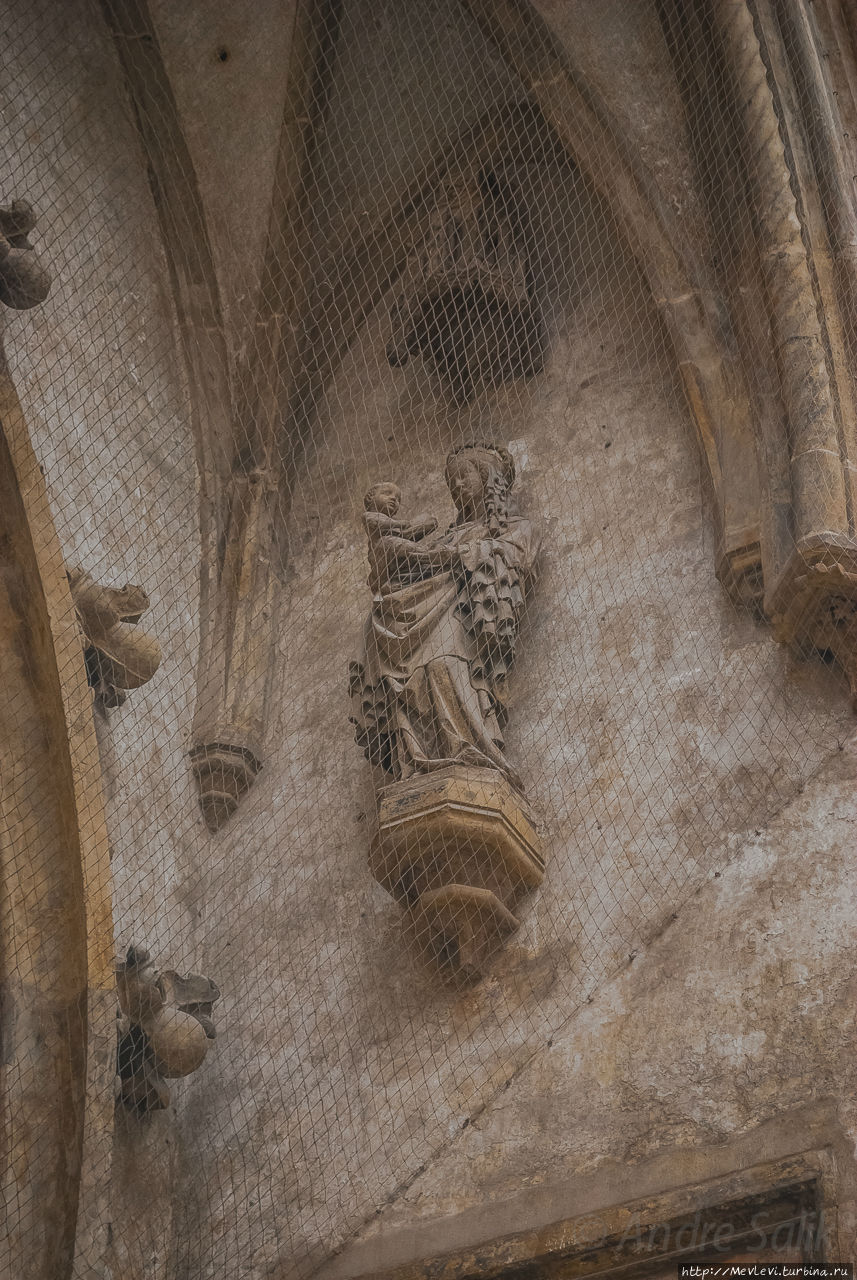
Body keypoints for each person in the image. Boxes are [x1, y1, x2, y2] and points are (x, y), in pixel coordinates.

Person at [350, 443, 540, 789]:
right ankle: (418, 761)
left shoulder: (515, 526)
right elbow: (417, 564)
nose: (456, 486)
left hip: (462, 612)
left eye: (463, 476)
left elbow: (512, 557)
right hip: (426, 608)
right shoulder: (445, 535)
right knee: (407, 673)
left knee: (441, 665)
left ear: (487, 478)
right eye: (451, 480)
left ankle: (469, 752)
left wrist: (453, 555)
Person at [361, 481, 438, 593]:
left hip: (398, 555)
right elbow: (377, 522)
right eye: (387, 493)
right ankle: (432, 553)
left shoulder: (397, 523)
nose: (393, 499)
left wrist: (424, 523)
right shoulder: (368, 515)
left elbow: (406, 530)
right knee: (390, 542)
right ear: (370, 498)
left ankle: (428, 555)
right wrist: (401, 524)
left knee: (429, 520)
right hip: (382, 557)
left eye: (398, 499)